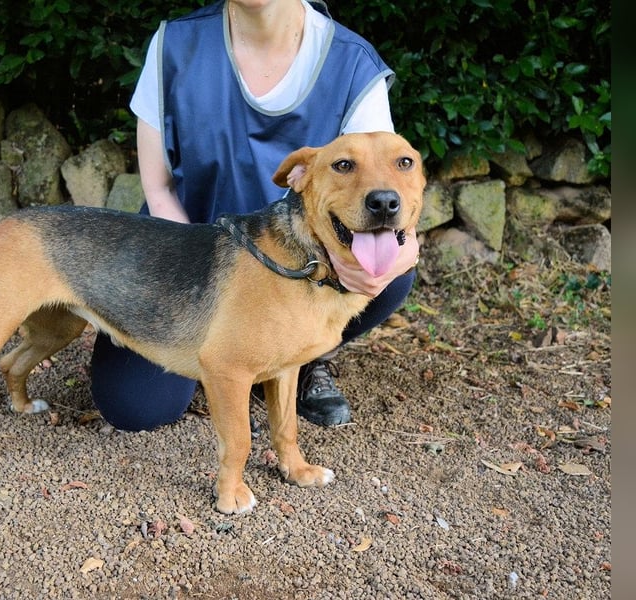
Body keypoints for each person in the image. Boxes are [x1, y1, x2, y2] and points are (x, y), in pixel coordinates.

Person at [90, 0, 420, 431]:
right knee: (136, 406)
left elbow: (386, 184)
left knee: (390, 272)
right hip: (187, 249)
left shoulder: (351, 63)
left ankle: (303, 358)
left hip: (296, 256)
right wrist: (185, 284)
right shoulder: (174, 44)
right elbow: (158, 187)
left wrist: (396, 256)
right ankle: (237, 353)